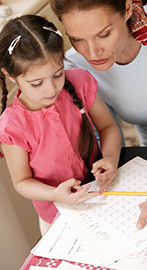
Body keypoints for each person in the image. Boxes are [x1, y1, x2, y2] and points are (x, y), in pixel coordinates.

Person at [50, 0, 147, 229]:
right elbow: (106, 136)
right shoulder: (75, 67)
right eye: (77, 39)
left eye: (104, 34)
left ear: (128, 8)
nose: (92, 52)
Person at [0, 14, 121, 234]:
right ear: (9, 75)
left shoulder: (80, 82)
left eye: (58, 74)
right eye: (37, 83)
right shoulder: (12, 124)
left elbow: (108, 127)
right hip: (57, 219)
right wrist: (54, 194)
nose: (51, 89)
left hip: (102, 197)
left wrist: (110, 158)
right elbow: (22, 182)